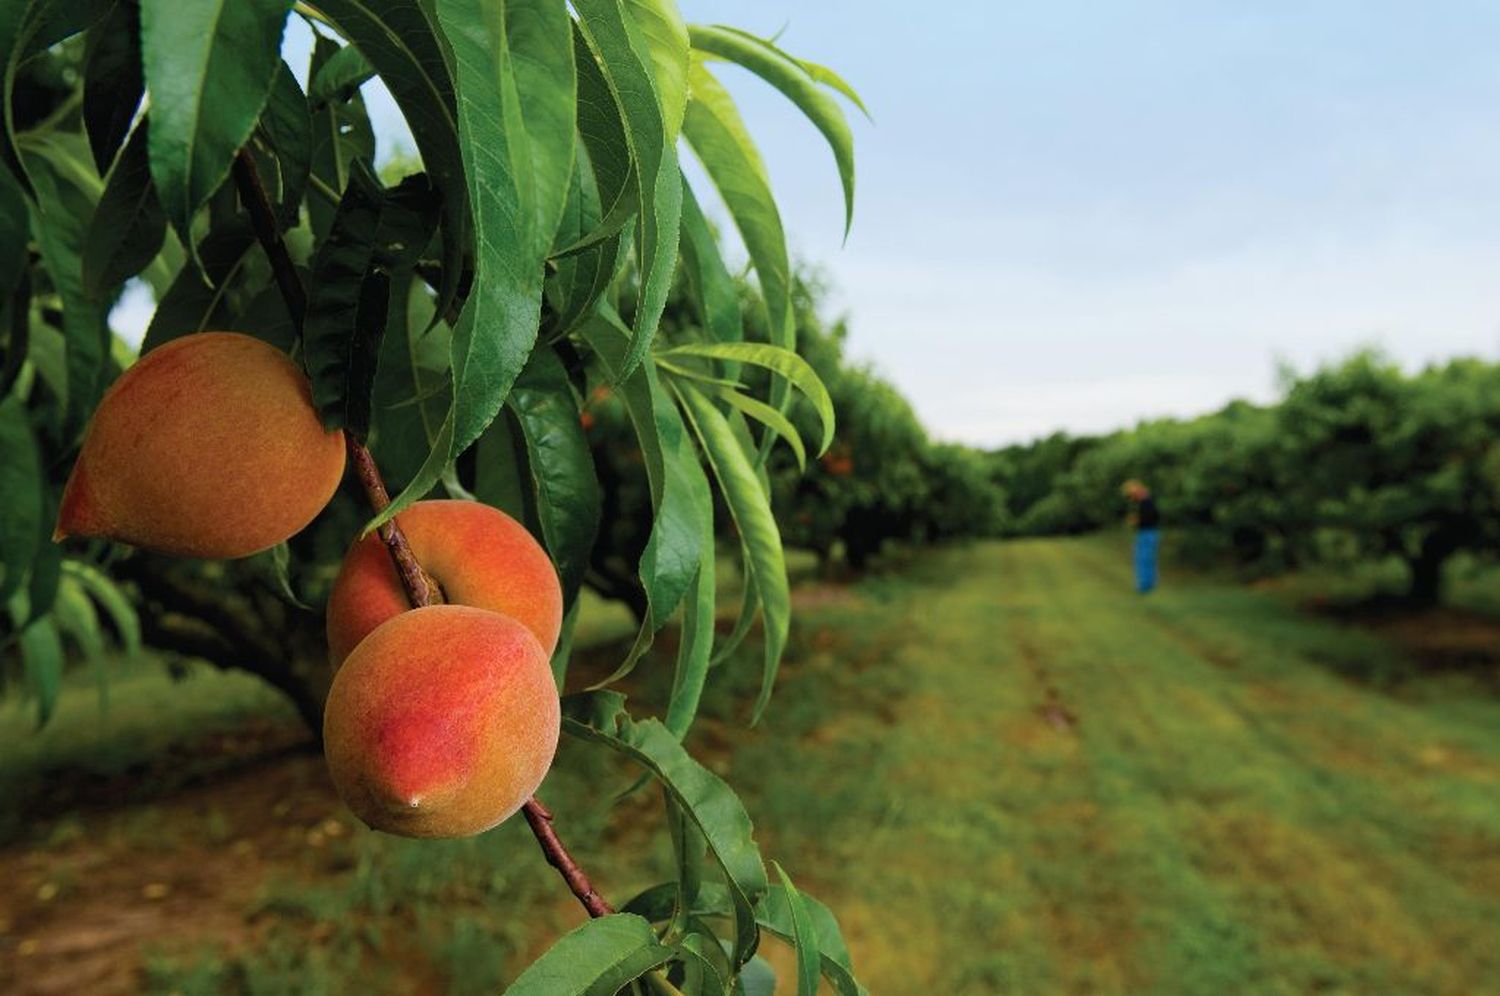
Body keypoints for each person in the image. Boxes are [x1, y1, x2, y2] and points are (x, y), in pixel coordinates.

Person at [1121, 480, 1159, 593]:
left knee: (1142, 559)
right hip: (1150, 532)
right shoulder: (1148, 501)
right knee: (1148, 559)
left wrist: (1135, 521)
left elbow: (1148, 518)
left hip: (1146, 533)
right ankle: (1149, 584)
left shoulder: (1146, 502)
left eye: (1132, 495)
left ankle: (1144, 586)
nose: (1131, 498)